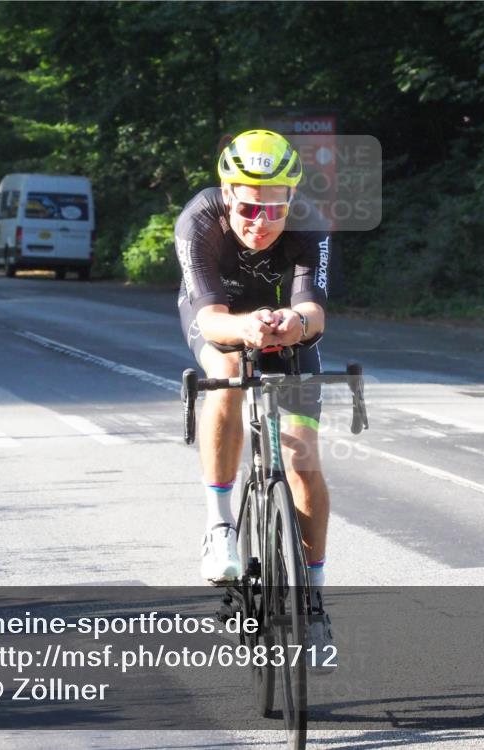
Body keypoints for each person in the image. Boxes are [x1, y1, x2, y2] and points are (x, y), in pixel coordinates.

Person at [175, 129, 334, 656]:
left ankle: (313, 599)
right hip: (221, 319)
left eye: (273, 210)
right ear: (226, 193)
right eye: (247, 208)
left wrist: (291, 321)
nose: (259, 223)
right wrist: (248, 330)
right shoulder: (198, 219)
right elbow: (212, 319)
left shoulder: (310, 222)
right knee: (225, 374)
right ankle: (219, 527)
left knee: (302, 457)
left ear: (291, 198)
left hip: (285, 325)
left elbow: (314, 309)